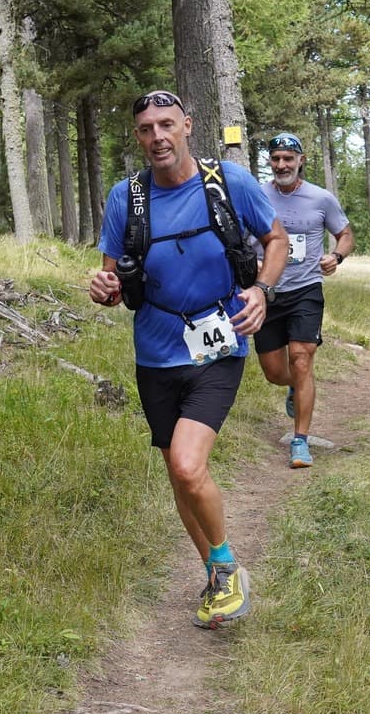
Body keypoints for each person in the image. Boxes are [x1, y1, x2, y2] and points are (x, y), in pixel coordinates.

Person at [88, 90, 289, 629]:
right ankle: (217, 577)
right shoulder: (125, 197)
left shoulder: (228, 182)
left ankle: (225, 563)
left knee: (186, 463)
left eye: (166, 125)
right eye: (146, 128)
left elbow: (276, 240)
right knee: (178, 477)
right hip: (155, 352)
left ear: (187, 127)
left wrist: (263, 291)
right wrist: (103, 286)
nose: (157, 136)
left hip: (220, 341)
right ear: (138, 137)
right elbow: (113, 278)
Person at [254, 133, 353, 469]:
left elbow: (346, 234)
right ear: (270, 161)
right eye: (276, 158)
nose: (282, 165)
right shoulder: (256, 195)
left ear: (301, 160)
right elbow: (237, 237)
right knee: (274, 371)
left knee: (301, 358)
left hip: (306, 289)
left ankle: (300, 441)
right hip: (267, 291)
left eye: (288, 158)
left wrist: (336, 257)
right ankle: (295, 387)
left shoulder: (321, 198)